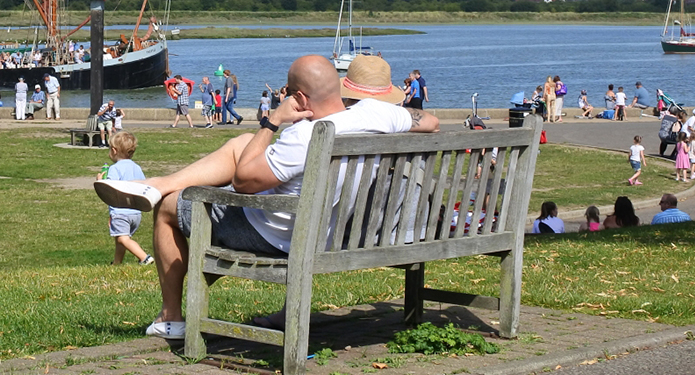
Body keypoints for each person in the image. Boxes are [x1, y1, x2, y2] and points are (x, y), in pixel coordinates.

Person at [91, 54, 439, 339]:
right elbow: (430, 122)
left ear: (300, 98)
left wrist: (272, 122)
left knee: (170, 207)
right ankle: (158, 182)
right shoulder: (382, 114)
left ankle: (171, 318)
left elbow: (243, 182)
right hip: (330, 230)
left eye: (291, 94)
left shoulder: (304, 136)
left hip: (278, 233)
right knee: (242, 145)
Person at [98, 131, 152, 265]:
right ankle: (117, 262)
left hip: (121, 212)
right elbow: (143, 184)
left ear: (114, 151)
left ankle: (145, 258)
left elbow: (111, 188)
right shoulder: (137, 168)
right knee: (120, 237)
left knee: (123, 238)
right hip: (135, 212)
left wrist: (100, 181)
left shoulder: (114, 169)